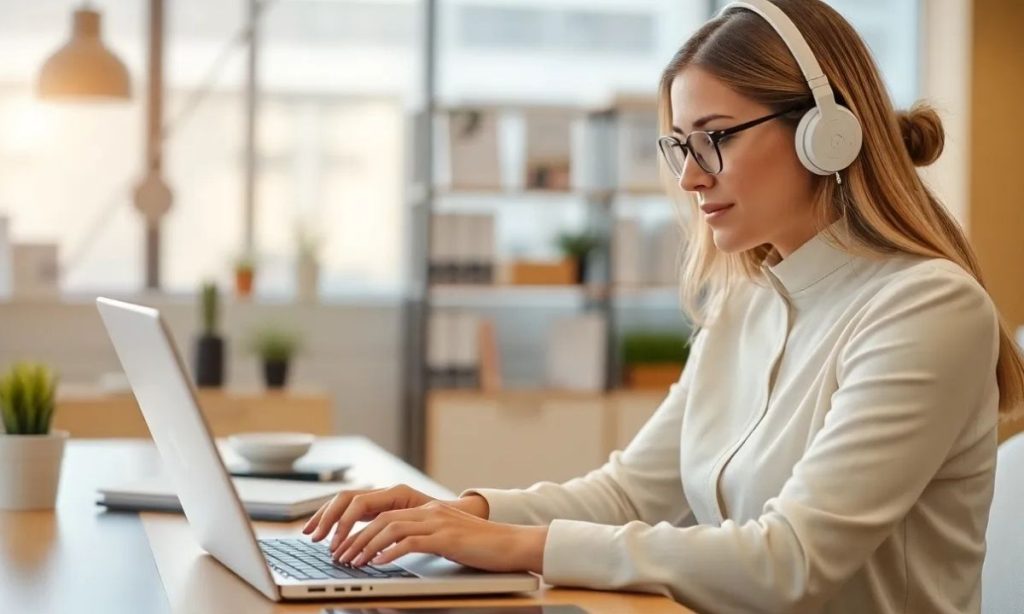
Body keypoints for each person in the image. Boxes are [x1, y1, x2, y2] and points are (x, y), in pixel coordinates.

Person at [303, 1, 1024, 612]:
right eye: (679, 144)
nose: (687, 177)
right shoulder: (747, 300)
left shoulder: (926, 309)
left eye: (712, 139)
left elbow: (794, 560)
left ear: (824, 132)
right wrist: (461, 515)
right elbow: (630, 491)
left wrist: (518, 545)